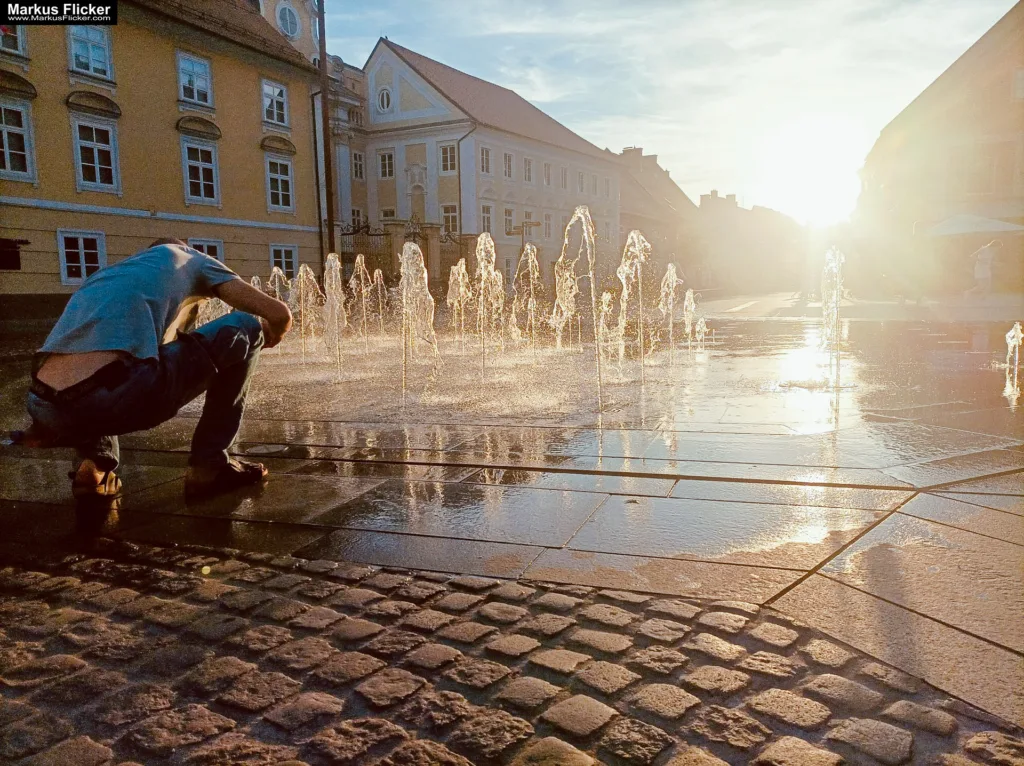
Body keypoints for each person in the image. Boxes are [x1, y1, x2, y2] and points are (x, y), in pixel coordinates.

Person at [17, 238, 292, 501]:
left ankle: (93, 470)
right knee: (246, 326)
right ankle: (210, 464)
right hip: (117, 396)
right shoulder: (189, 258)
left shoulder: (109, 275)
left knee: (110, 365)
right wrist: (270, 333)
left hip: (42, 405)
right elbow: (278, 313)